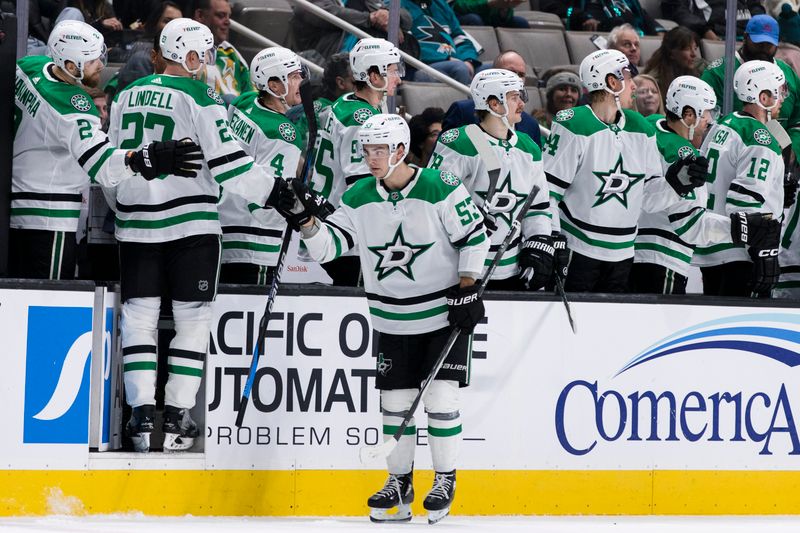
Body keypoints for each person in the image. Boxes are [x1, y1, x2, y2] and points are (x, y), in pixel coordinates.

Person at [285, 113, 489, 525]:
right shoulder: (359, 195)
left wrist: (467, 288)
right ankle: (400, 482)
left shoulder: (439, 186)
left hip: (440, 314)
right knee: (394, 405)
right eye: (367, 150)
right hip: (391, 319)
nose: (371, 158)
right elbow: (330, 248)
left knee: (440, 399)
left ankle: (445, 478)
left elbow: (475, 236)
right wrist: (304, 220)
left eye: (379, 150)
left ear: (400, 149)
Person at [106, 18, 297, 452]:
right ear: (191, 56)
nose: (207, 62)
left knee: (139, 318)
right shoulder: (200, 93)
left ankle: (138, 416)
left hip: (135, 222)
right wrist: (276, 192)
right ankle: (175, 417)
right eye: (204, 54)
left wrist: (125, 208)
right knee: (191, 320)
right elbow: (229, 163)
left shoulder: (125, 94)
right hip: (191, 224)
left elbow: (112, 165)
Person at [10, 20, 202, 280]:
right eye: (92, 60)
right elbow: (103, 166)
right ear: (70, 66)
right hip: (48, 219)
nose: (101, 64)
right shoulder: (72, 108)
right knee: (46, 304)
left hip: (17, 205)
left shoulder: (28, 67)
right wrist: (144, 158)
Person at [632, 76, 779, 294]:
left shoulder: (648, 127)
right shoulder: (686, 156)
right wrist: (739, 229)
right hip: (663, 259)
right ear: (688, 114)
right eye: (706, 113)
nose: (709, 121)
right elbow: (690, 226)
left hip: (629, 252)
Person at [429, 69, 552, 290]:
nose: (522, 104)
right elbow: (432, 203)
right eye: (515, 97)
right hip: (462, 269)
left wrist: (538, 242)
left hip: (512, 268)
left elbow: (538, 206)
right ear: (494, 104)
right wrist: (467, 224)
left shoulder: (528, 146)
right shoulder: (461, 141)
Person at [308, 38, 404, 286]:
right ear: (373, 76)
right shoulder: (361, 118)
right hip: (348, 233)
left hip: (334, 222)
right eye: (393, 70)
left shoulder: (345, 104)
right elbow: (361, 183)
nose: (399, 78)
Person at [696, 61, 787, 297]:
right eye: (778, 90)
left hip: (711, 245)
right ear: (764, 97)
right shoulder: (759, 136)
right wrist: (761, 251)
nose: (783, 98)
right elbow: (746, 200)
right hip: (740, 253)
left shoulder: (722, 124)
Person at [218, 47, 306, 285]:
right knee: (250, 317)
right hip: (256, 240)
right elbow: (274, 199)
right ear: (274, 85)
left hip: (224, 224)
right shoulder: (284, 133)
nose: (301, 82)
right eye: (294, 76)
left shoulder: (244, 102)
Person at [702, 14, 800, 160]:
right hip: (730, 156)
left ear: (778, 42)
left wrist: (793, 152)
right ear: (745, 37)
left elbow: (797, 121)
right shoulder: (719, 71)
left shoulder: (787, 74)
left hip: (779, 159)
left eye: (768, 45)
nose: (763, 49)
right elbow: (703, 120)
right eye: (758, 43)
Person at [442, 51, 541, 147]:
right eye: (511, 72)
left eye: (521, 75)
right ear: (492, 73)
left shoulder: (531, 125)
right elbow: (442, 156)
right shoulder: (462, 111)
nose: (516, 78)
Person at [289, 0, 413, 61]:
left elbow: (407, 18)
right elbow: (323, 13)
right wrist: (370, 18)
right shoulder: (308, 4)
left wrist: (389, 16)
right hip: (331, 60)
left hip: (376, 56)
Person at [401, 0, 480, 85]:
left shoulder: (441, 4)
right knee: (460, 68)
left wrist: (468, 60)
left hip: (456, 61)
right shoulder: (396, 5)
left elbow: (460, 37)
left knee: (492, 70)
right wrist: (445, 58)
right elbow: (407, 47)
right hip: (421, 66)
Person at [287, 52, 354, 151]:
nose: (365, 86)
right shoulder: (317, 112)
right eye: (356, 81)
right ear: (340, 83)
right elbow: (299, 150)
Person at [115, 1, 182, 94]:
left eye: (178, 23)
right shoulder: (142, 55)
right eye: (167, 21)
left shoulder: (182, 57)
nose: (173, 27)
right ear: (155, 23)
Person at [194, 0, 251, 101]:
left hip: (236, 113)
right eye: (221, 15)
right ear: (200, 15)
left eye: (229, 16)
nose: (227, 22)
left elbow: (251, 95)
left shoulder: (231, 52)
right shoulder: (184, 51)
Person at [542, 0, 665, 35]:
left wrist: (659, 31)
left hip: (633, 37)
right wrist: (583, 17)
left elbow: (641, 14)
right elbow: (552, 6)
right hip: (599, 35)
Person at [661, 0, 766, 41]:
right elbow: (679, 13)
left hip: (750, 38)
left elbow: (755, 7)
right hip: (715, 38)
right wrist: (705, 30)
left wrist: (759, 26)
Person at [643, 26, 701, 98]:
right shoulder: (654, 81)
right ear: (671, 54)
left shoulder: (698, 70)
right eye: (687, 49)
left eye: (695, 48)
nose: (694, 54)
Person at [453, 0, 530, 28]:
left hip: (491, 17)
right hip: (461, 16)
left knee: (521, 22)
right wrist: (488, 4)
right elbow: (460, 6)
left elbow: (507, 16)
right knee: (474, 19)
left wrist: (505, 8)